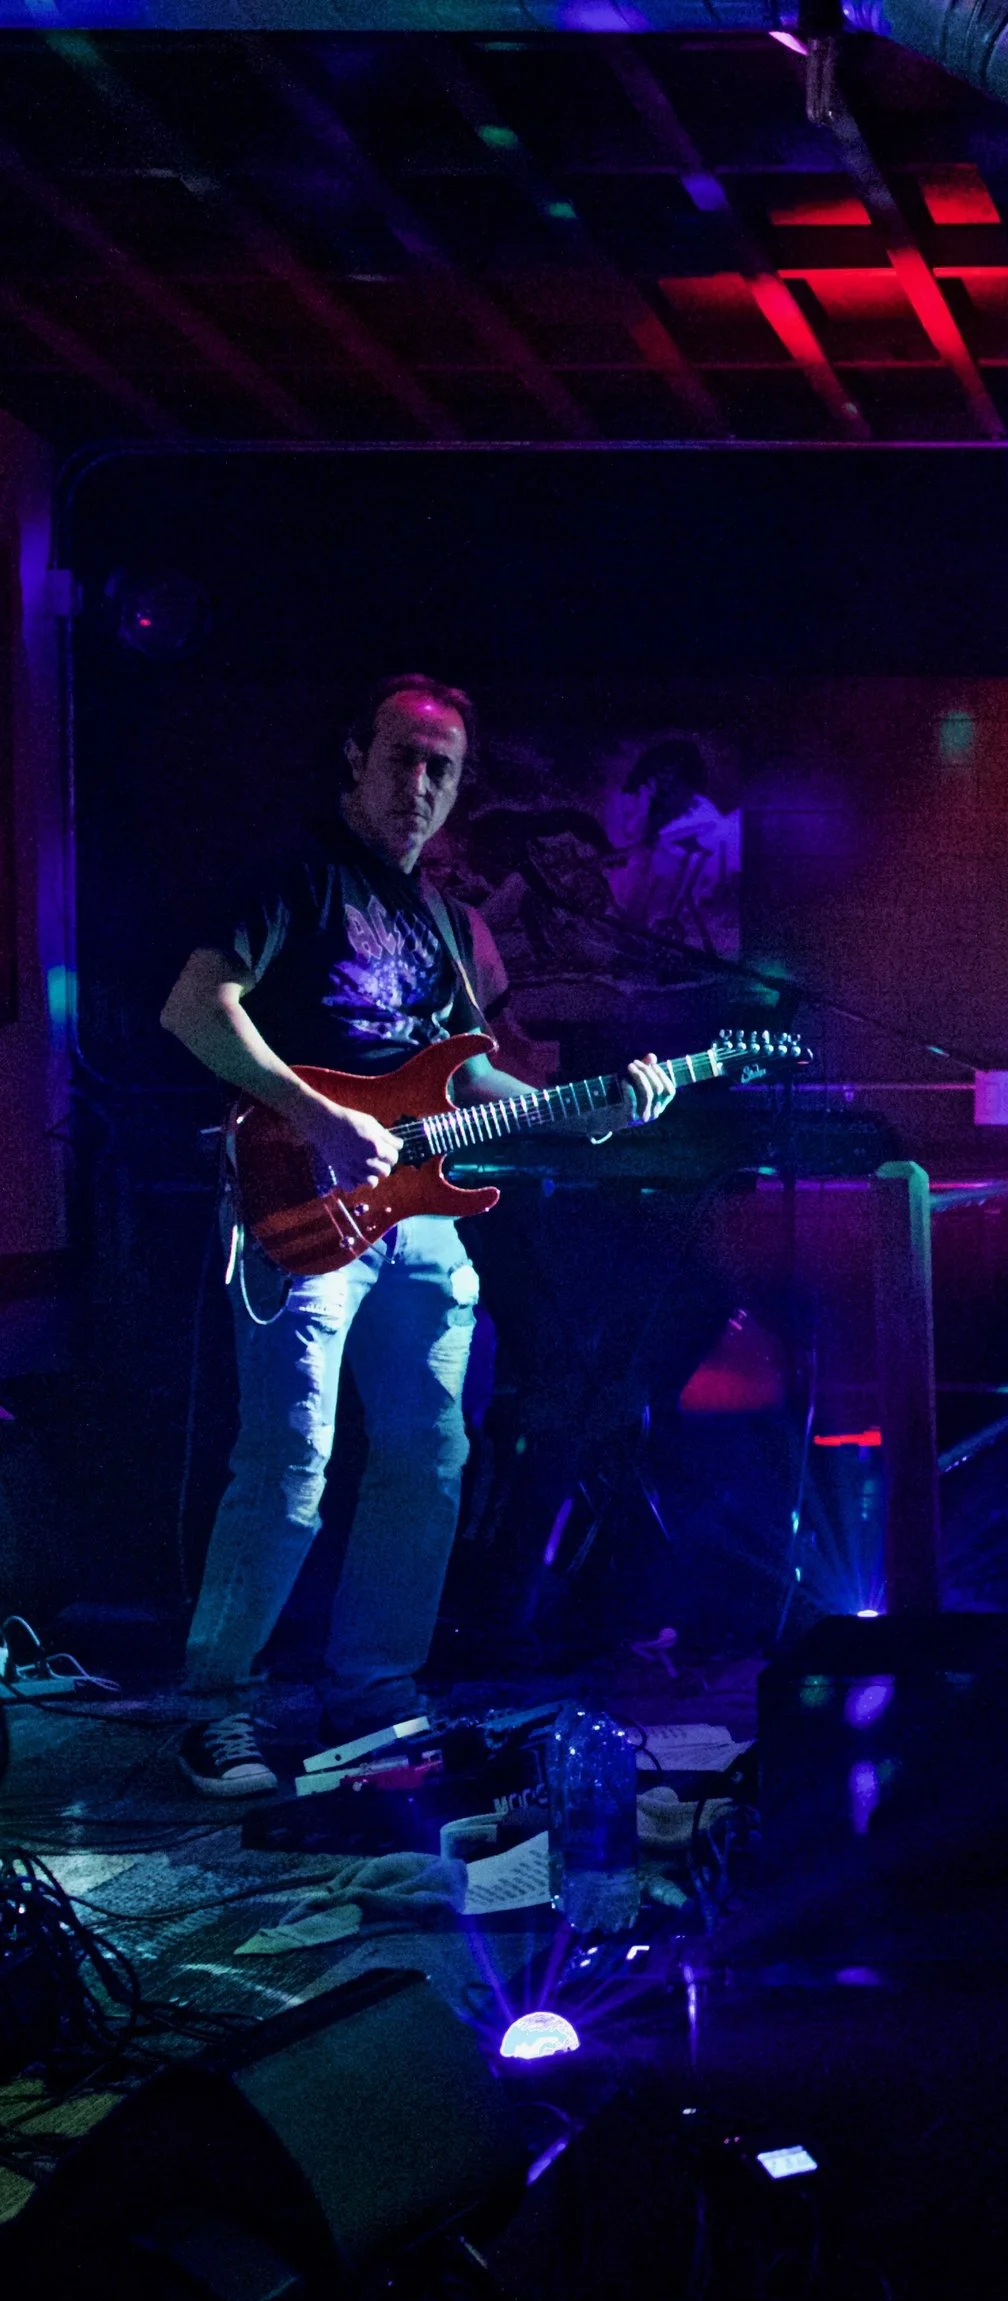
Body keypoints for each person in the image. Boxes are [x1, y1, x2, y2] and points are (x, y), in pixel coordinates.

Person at [158, 676, 679, 1798]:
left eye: (443, 767)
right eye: (404, 758)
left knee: (430, 1453)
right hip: (299, 1190)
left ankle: (375, 1692)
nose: (423, 785)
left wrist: (588, 1109)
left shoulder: (444, 921)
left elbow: (470, 1078)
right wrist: (315, 1115)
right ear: (356, 759)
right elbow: (196, 1007)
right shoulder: (295, 874)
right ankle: (215, 1706)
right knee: (289, 1458)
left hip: (418, 1214)